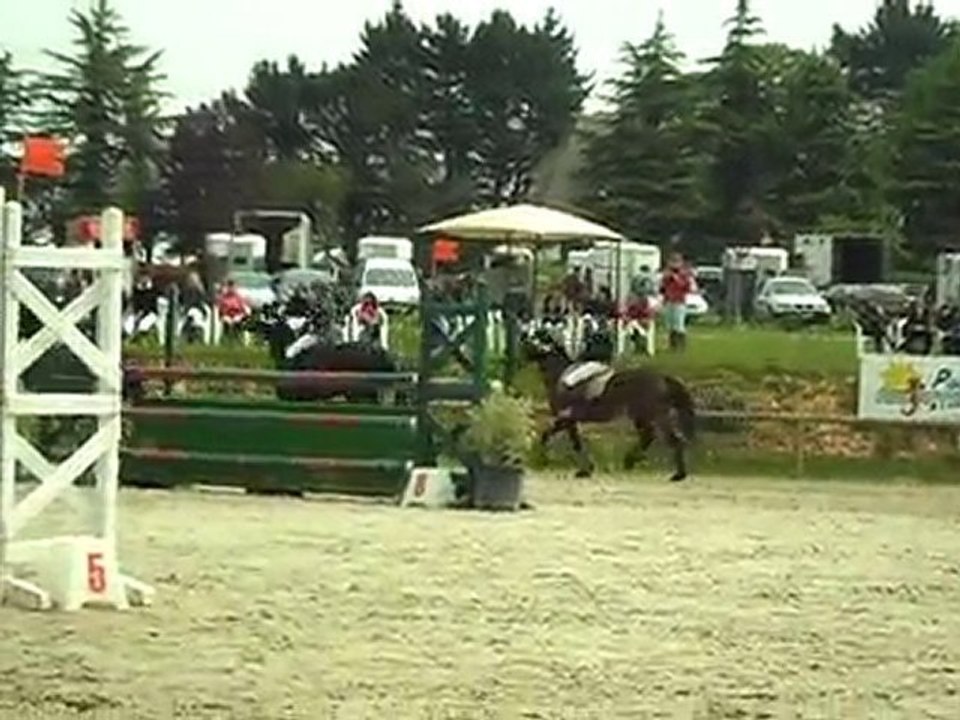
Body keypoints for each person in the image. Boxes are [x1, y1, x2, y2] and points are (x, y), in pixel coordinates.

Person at [660, 253, 695, 351]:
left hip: (679, 301)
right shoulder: (667, 274)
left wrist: (675, 278)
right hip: (668, 300)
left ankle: (681, 345)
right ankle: (672, 345)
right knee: (669, 324)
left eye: (676, 261)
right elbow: (662, 287)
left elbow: (686, 287)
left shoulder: (684, 274)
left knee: (679, 324)